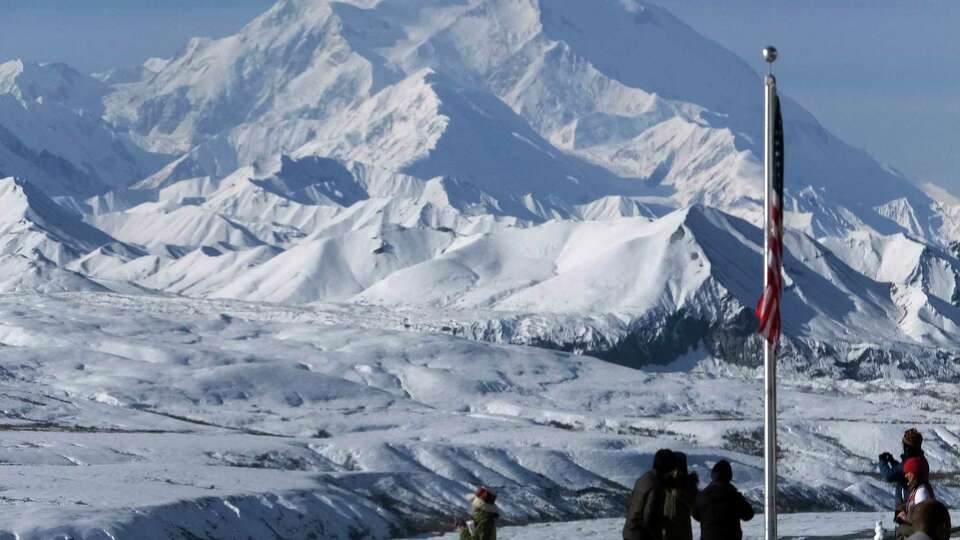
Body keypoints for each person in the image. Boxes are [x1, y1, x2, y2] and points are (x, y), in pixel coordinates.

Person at [692, 460, 755, 540]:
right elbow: (748, 515)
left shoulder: (702, 496)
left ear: (712, 475)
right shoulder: (733, 495)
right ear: (729, 476)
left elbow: (695, 514)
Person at [624, 449, 676, 540]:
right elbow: (650, 517)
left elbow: (630, 505)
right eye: (672, 469)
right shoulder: (657, 486)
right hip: (642, 535)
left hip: (629, 531)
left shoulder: (643, 479)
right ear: (667, 468)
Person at [880, 428, 928, 520]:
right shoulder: (921, 459)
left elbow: (888, 476)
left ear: (906, 447)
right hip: (913, 505)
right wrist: (893, 461)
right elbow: (903, 471)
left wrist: (882, 461)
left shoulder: (911, 461)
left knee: (905, 532)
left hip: (906, 508)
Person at [896, 457, 935, 540]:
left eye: (908, 472)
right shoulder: (916, 490)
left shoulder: (921, 492)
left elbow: (924, 521)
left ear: (914, 473)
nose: (906, 475)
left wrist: (905, 518)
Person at [662, 452, 699, 540]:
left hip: (677, 530)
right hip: (676, 530)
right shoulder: (688, 484)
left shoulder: (687, 485)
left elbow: (694, 506)